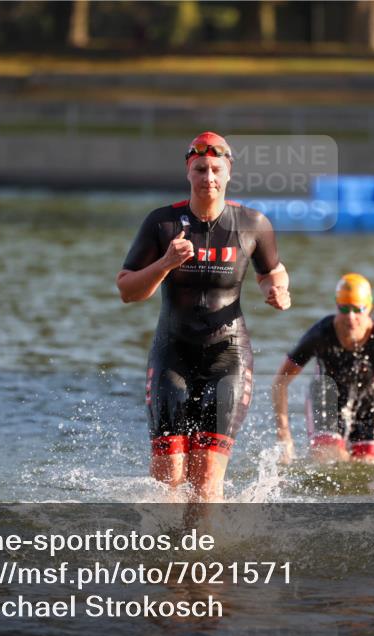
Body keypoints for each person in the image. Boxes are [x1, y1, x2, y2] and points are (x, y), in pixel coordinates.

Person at [116, 132, 291, 502]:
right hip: (172, 354)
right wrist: (165, 263)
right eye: (200, 169)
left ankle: (202, 554)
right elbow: (128, 290)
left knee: (207, 481)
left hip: (227, 357)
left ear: (229, 172)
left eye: (215, 169)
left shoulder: (252, 223)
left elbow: (272, 270)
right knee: (169, 480)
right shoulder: (162, 224)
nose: (208, 177)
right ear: (188, 172)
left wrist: (277, 290)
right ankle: (165, 556)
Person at [273, 274, 374, 467]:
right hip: (326, 399)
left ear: (370, 307)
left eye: (358, 309)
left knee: (370, 467)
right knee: (329, 459)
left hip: (371, 402)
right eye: (344, 309)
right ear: (336, 305)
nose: (351, 317)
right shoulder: (320, 335)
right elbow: (281, 381)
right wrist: (284, 434)